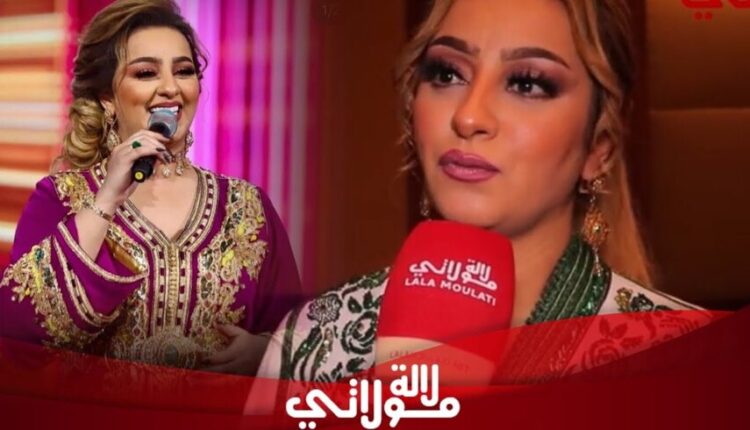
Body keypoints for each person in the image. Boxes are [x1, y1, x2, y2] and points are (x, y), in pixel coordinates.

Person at [255, 0, 704, 384]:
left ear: (598, 148)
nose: (468, 117)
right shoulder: (314, 343)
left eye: (526, 83)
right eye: (447, 74)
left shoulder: (686, 361)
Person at [0, 0, 305, 375]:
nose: (170, 88)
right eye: (146, 73)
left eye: (184, 71)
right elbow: (18, 330)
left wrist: (268, 352)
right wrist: (107, 198)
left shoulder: (248, 208)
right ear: (107, 99)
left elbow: (302, 338)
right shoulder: (61, 198)